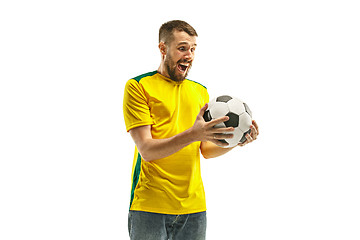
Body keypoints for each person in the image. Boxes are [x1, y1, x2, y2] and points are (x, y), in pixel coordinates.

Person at [123, 20, 259, 240]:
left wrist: (235, 141)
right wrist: (193, 134)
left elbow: (205, 148)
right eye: (182, 48)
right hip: (150, 206)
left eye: (193, 49)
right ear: (163, 48)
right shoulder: (138, 86)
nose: (189, 55)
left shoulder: (200, 92)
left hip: (194, 208)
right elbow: (147, 150)